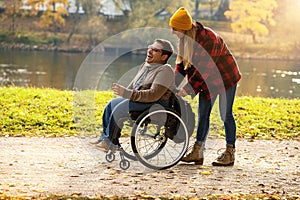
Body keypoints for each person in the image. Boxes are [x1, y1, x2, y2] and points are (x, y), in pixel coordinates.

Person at [169, 7, 241, 166]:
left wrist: (187, 89)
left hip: (225, 77)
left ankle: (230, 152)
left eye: (175, 28)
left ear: (184, 27)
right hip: (207, 81)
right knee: (203, 114)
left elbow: (205, 69)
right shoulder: (184, 39)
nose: (173, 32)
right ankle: (198, 152)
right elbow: (180, 66)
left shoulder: (209, 38)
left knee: (225, 114)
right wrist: (172, 86)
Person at [90, 39, 175, 152]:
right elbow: (133, 86)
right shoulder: (146, 66)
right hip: (142, 100)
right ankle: (105, 139)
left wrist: (127, 93)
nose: (149, 51)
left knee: (120, 108)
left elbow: (153, 95)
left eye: (155, 50)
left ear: (164, 57)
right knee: (112, 104)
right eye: (150, 47)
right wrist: (124, 92)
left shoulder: (165, 70)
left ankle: (110, 142)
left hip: (156, 104)